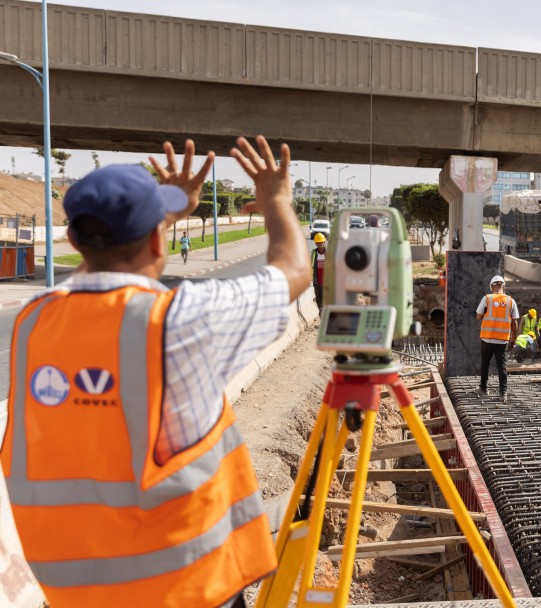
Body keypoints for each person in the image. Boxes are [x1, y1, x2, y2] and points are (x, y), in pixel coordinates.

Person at [1, 136, 310, 607]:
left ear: (72, 240)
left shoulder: (33, 321)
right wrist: (277, 200)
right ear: (156, 239)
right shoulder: (178, 321)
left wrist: (156, 218)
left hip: (75, 592)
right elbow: (292, 269)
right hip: (183, 590)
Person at [475, 274, 519, 402]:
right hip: (502, 340)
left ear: (492, 287)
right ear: (503, 287)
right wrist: (513, 338)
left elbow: (478, 316)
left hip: (487, 339)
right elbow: (515, 322)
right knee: (502, 366)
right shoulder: (511, 301)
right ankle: (503, 393)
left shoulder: (487, 298)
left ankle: (483, 388)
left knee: (485, 363)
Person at [311, 231, 327, 311]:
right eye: (318, 243)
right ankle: (321, 314)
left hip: (326, 282)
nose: (320, 244)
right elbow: (310, 265)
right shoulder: (314, 253)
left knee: (325, 302)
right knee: (318, 300)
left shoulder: (328, 253)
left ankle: (323, 317)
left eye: (321, 242)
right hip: (317, 282)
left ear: (324, 242)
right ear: (315, 243)